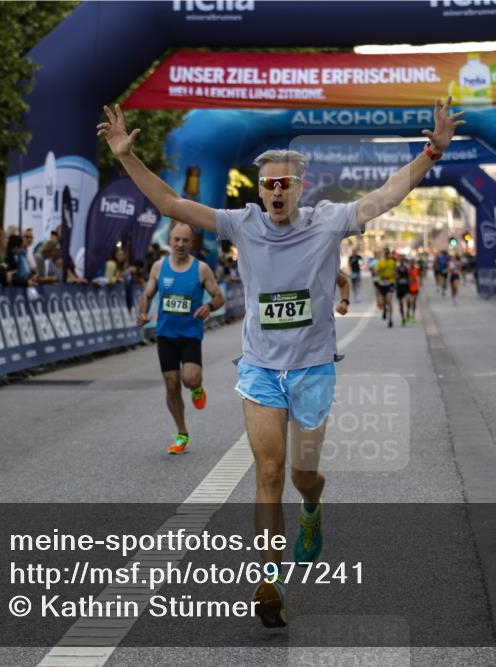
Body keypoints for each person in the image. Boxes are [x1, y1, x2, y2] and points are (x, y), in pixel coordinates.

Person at [99, 97, 465, 627]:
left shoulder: (328, 221)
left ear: (299, 187)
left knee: (302, 475)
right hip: (262, 370)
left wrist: (433, 150)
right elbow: (174, 205)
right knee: (268, 471)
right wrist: (126, 158)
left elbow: (387, 194)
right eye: (267, 184)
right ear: (259, 189)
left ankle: (313, 509)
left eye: (283, 184)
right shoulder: (241, 224)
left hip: (313, 369)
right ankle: (267, 578)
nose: (275, 191)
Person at [136, 221, 224, 455]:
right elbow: (147, 294)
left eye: (185, 240)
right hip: (166, 334)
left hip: (190, 334)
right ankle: (182, 432)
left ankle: (197, 388)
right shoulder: (158, 267)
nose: (180, 244)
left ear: (192, 243)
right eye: (176, 239)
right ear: (170, 240)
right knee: (171, 384)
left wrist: (208, 306)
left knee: (190, 379)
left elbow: (218, 296)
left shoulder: (201, 269)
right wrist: (143, 312)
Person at [374, 247, 397, 327]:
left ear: (389, 254)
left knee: (389, 301)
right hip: (382, 283)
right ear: (384, 254)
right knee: (384, 302)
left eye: (388, 253)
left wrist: (394, 274)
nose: (387, 255)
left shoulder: (392, 262)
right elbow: (376, 272)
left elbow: (396, 272)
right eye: (385, 253)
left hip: (390, 282)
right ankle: (384, 309)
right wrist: (381, 270)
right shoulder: (380, 262)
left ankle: (390, 319)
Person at [395, 255, 410, 325]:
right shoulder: (397, 267)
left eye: (402, 260)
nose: (401, 261)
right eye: (400, 260)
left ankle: (408, 312)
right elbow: (395, 276)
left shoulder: (407, 267)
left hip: (406, 287)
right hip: (399, 288)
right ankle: (403, 318)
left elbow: (410, 274)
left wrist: (407, 269)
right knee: (400, 304)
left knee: (407, 300)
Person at [406, 256, 420, 322]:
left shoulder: (416, 269)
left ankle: (413, 315)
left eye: (412, 262)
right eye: (410, 262)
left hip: (415, 288)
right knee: (409, 302)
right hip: (408, 288)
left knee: (413, 302)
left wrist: (417, 284)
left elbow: (417, 278)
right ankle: (408, 312)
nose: (411, 264)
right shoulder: (406, 270)